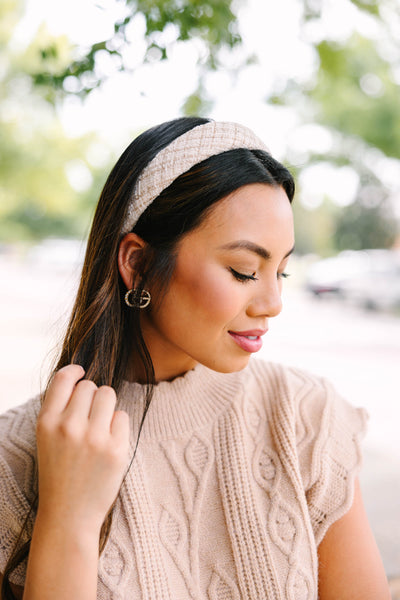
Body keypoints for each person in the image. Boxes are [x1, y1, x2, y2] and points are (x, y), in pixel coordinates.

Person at [0, 117, 390, 600]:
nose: (272, 303)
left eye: (281, 272)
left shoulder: (304, 418)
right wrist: (69, 520)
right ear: (138, 263)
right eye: (244, 271)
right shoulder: (15, 458)